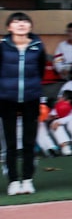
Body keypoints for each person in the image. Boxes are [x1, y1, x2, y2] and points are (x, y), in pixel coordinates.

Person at [0, 12, 47, 195]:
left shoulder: (38, 46)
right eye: (16, 21)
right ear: (9, 27)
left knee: (29, 141)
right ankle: (13, 181)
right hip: (6, 98)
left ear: (30, 26)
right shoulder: (2, 47)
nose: (21, 24)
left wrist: (32, 88)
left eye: (25, 21)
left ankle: (27, 179)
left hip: (31, 98)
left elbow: (40, 70)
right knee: (10, 143)